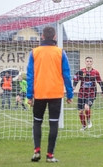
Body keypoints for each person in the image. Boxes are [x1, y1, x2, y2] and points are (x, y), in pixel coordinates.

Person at [26, 26, 73, 163]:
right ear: (55, 37)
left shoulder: (34, 52)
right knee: (53, 124)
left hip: (39, 93)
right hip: (55, 94)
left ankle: (36, 151)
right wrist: (70, 94)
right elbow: (66, 74)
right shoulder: (60, 52)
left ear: (42, 36)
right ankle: (50, 155)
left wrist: (29, 95)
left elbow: (30, 75)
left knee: (37, 122)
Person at [73, 57, 103, 131]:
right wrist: (73, 87)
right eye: (87, 61)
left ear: (92, 63)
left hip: (91, 93)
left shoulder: (95, 72)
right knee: (81, 111)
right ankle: (84, 126)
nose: (89, 62)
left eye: (90, 61)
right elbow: (76, 80)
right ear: (85, 62)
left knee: (87, 107)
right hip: (82, 93)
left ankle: (88, 120)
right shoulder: (81, 71)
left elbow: (100, 82)